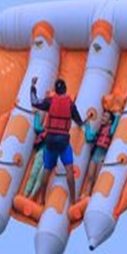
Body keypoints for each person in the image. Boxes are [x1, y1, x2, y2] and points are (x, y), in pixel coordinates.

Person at [30, 76, 84, 204]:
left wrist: (33, 86)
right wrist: (82, 124)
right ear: (65, 89)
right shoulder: (70, 104)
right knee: (69, 169)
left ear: (55, 90)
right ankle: (73, 200)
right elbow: (79, 121)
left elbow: (34, 101)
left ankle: (42, 200)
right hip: (63, 141)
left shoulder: (50, 101)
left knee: (47, 170)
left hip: (50, 140)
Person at [82, 108, 120, 198]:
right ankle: (86, 194)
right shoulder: (99, 131)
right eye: (103, 116)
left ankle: (94, 196)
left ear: (110, 121)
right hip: (95, 156)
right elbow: (89, 138)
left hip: (102, 156)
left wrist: (117, 116)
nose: (103, 118)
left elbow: (114, 128)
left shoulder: (110, 130)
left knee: (96, 178)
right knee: (90, 177)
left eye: (105, 117)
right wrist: (87, 126)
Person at [22, 109, 47, 199]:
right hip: (42, 152)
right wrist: (37, 115)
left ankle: (31, 197)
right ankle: (26, 194)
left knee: (40, 177)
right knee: (34, 173)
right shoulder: (46, 130)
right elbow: (37, 127)